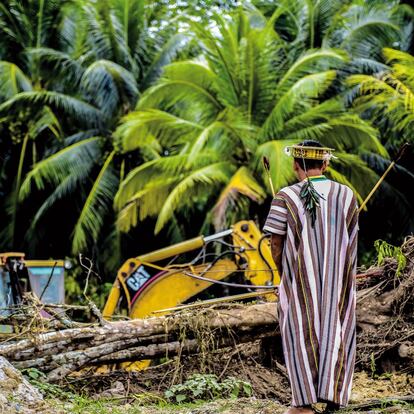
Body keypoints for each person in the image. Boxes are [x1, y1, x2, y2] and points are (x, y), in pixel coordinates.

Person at [263, 140, 358, 414]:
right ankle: (333, 398)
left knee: (298, 332)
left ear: (296, 165)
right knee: (336, 329)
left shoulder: (286, 196)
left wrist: (284, 275)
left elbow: (275, 243)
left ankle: (303, 402)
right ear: (325, 164)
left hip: (299, 281)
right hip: (337, 281)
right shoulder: (347, 196)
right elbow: (351, 241)